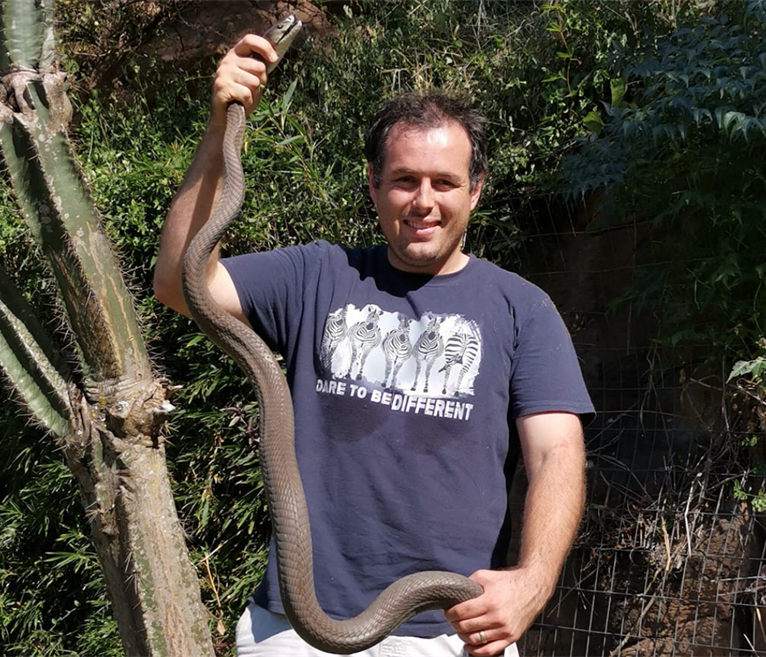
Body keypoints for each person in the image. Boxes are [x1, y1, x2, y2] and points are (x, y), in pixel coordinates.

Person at [153, 30, 593, 657]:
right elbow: (179, 281)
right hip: (295, 633)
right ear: (372, 186)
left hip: (453, 634)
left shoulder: (523, 309)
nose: (424, 202)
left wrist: (534, 582)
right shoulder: (317, 276)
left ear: (475, 191)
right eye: (404, 180)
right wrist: (222, 124)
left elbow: (556, 456)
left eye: (444, 182)